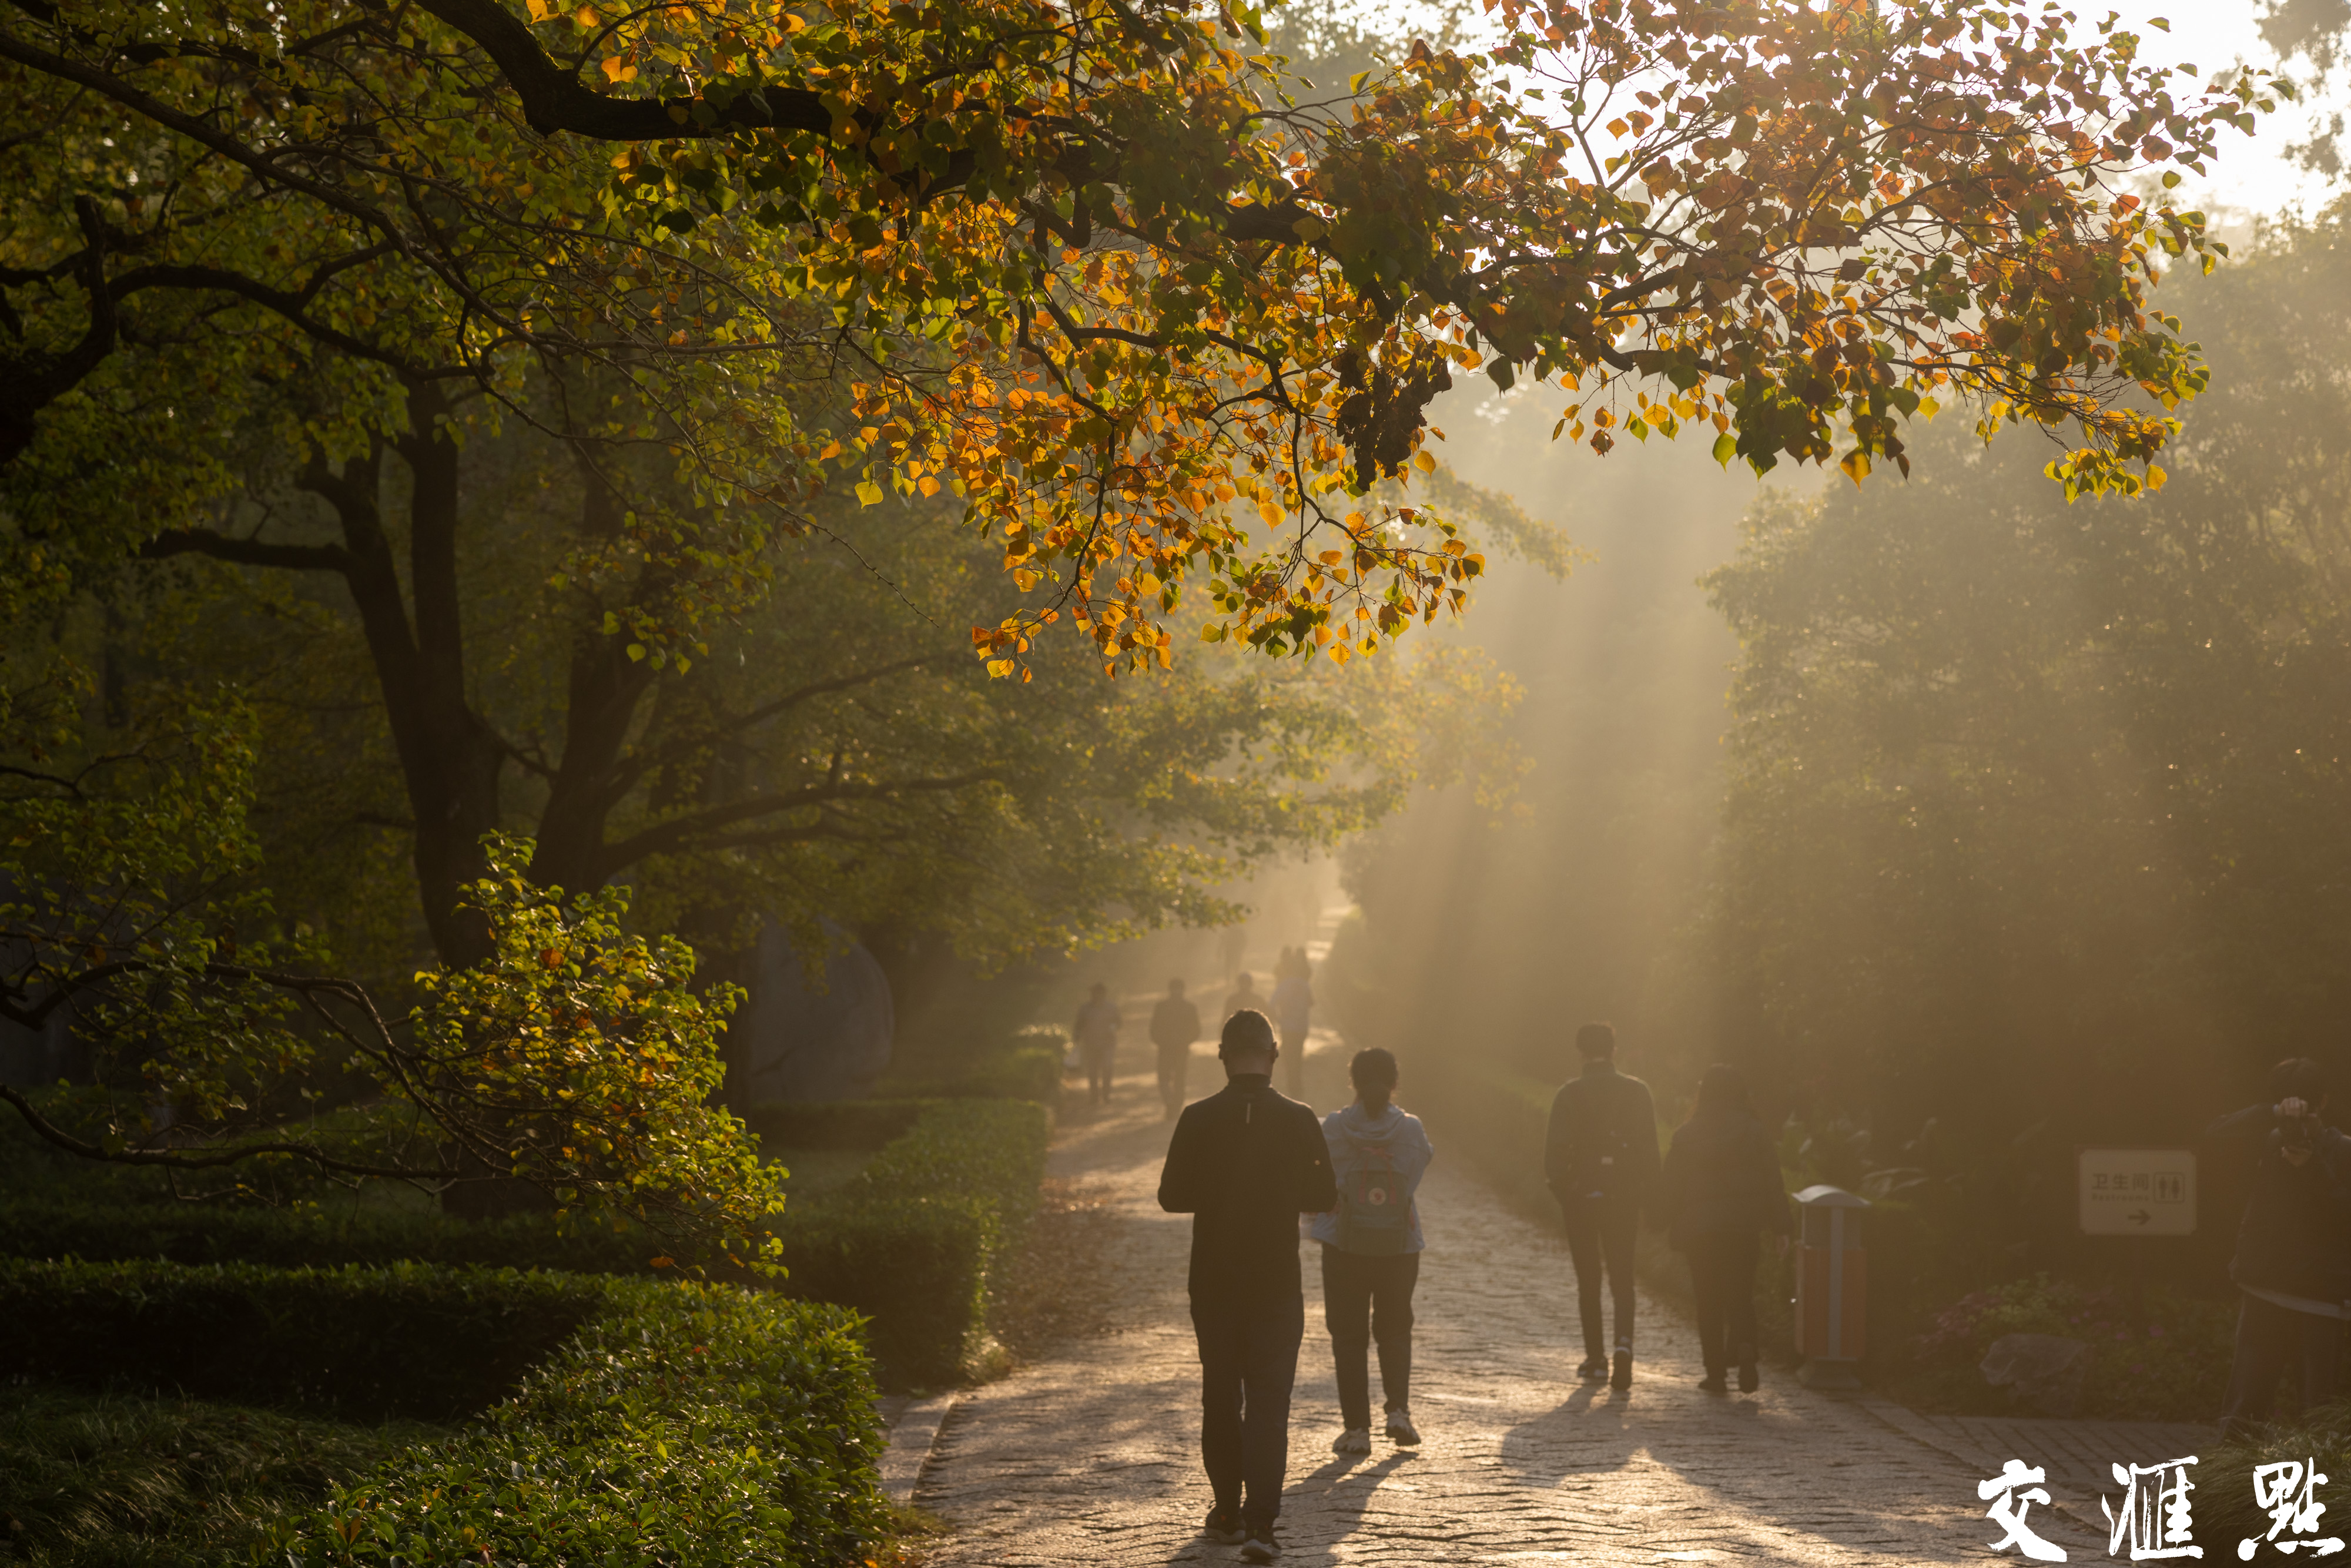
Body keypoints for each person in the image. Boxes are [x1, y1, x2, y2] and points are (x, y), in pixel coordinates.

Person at [1157, 1009, 1337, 1564]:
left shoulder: (1198, 1116)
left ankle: (1227, 1511)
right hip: (1276, 1282)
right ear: (1274, 1055)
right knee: (1268, 1404)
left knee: (1220, 1396)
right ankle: (1263, 1523)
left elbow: (1171, 1196)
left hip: (1213, 1279)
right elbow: (1325, 1194)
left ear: (1222, 1055)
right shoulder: (1301, 1118)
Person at [2205, 1058, 2351, 1438]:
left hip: (2319, 1301)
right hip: (2265, 1291)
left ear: (2321, 1103)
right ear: (2325, 1098)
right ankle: (2227, 1497)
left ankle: (2320, 1495)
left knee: (2320, 1421)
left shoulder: (2344, 1152)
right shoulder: (2270, 1141)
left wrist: (2311, 1167)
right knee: (2242, 1413)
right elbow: (2214, 1132)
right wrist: (2273, 1115)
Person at [1311, 1047, 1434, 1455]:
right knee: (1396, 1327)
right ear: (1395, 1083)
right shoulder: (1412, 1130)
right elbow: (1416, 1173)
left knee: (1348, 1335)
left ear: (1354, 1083)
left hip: (1345, 1243)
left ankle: (1357, 1430)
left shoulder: (1332, 1129)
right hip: (1398, 1244)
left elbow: (1316, 1176)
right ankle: (1398, 1411)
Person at [1657, 1063, 1791, 1393]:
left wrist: (1658, 1219)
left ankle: (1715, 1373)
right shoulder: (1754, 1131)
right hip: (1743, 1226)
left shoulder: (1686, 1133)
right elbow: (1773, 1181)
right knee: (1741, 1294)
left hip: (1700, 1229)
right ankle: (1745, 1352)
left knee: (1708, 1299)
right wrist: (1781, 1227)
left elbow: (1671, 1184)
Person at [1542, 1021, 1659, 1391]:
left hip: (1582, 1198)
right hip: (1624, 1196)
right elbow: (1650, 1153)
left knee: (1588, 1279)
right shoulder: (1637, 1092)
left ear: (1580, 1052)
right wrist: (1650, 1199)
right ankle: (1624, 1345)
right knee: (1623, 1277)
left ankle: (1595, 1359)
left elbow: (1554, 1158)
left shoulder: (1568, 1095)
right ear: (1614, 1050)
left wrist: (1569, 1193)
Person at [1151, 978, 1203, 1120]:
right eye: (1175, 988)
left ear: (1183, 990)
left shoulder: (1189, 1008)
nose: (1176, 992)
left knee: (1179, 1080)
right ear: (1170, 990)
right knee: (1164, 1079)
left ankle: (1175, 1107)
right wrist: (1161, 1042)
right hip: (1166, 1049)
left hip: (1181, 1049)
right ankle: (1170, 1104)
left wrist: (1186, 1042)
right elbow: (1154, 1028)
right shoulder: (1161, 1007)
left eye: (1179, 988)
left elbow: (1196, 1029)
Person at [1270, 951, 1314, 1101]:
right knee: (1298, 1054)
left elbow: (1272, 1003)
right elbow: (1311, 1003)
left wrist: (1279, 1019)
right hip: (1301, 1027)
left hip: (1287, 1027)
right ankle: (1297, 1084)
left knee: (1289, 1055)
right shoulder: (1305, 985)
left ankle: (1291, 1084)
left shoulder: (1284, 985)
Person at [1072, 983, 1122, 1106]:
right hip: (1090, 1044)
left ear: (1103, 994)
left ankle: (1106, 1094)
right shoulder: (1085, 1009)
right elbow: (1079, 1025)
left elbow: (1119, 1023)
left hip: (1107, 1044)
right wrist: (1077, 1037)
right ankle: (1094, 1096)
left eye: (1099, 993)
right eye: (1095, 993)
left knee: (1107, 1068)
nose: (1096, 995)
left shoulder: (1111, 1008)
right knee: (1092, 1071)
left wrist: (1113, 1028)